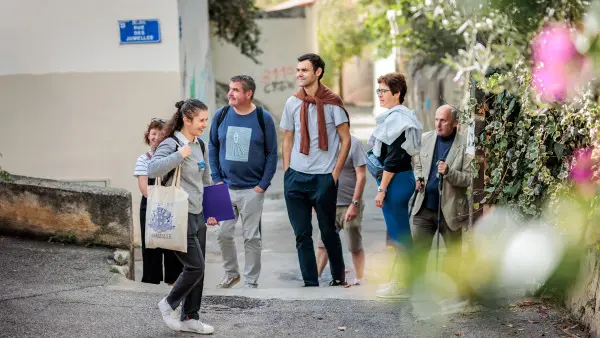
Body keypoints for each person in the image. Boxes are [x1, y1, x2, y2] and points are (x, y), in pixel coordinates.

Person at [280, 53, 351, 287]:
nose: (299, 74)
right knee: (302, 233)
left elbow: (345, 139)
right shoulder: (292, 102)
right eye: (298, 70)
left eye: (304, 70)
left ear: (318, 72)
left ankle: (339, 276)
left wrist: (335, 174)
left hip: (324, 177)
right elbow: (288, 138)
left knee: (328, 231)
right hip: (296, 178)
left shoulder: (333, 102)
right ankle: (310, 281)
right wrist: (288, 171)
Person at [148, 99, 218, 334]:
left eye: (206, 120)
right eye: (201, 120)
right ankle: (168, 304)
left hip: (198, 214)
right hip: (179, 214)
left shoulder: (201, 145)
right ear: (186, 120)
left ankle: (190, 317)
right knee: (195, 267)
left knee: (201, 267)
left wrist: (214, 211)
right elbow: (153, 169)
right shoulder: (171, 143)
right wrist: (179, 155)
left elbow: (205, 179)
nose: (204, 125)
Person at [209, 75, 278, 289]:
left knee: (251, 238)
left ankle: (250, 281)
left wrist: (262, 185)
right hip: (224, 188)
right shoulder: (221, 115)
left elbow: (272, 153)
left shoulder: (262, 117)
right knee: (222, 234)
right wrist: (217, 179)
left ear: (249, 94)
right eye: (230, 89)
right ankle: (231, 273)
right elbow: (212, 147)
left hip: (252, 190)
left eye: (236, 90)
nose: (230, 93)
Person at [368, 73, 422, 298]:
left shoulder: (399, 120)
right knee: (399, 235)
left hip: (396, 181)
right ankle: (404, 282)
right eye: (378, 91)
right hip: (399, 179)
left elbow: (394, 158)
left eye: (383, 91)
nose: (379, 95)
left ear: (397, 93)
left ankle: (404, 284)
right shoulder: (398, 117)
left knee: (399, 236)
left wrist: (382, 189)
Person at [411, 104, 472, 303]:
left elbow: (470, 179)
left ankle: (451, 294)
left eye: (443, 120)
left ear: (455, 123)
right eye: (436, 119)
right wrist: (418, 177)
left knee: (453, 256)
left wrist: (449, 173)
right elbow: (417, 164)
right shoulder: (425, 139)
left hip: (451, 210)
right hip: (424, 207)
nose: (438, 124)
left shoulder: (465, 146)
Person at [133, 118, 183, 285]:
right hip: (150, 204)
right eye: (152, 133)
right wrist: (162, 198)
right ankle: (151, 280)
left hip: (171, 204)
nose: (155, 137)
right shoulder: (143, 159)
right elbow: (144, 188)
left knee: (171, 242)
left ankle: (173, 281)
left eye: (160, 133)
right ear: (148, 136)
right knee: (151, 244)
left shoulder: (172, 157)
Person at [316, 136, 367, 285]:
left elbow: (361, 176)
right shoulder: (323, 142)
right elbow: (318, 173)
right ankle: (314, 279)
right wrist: (317, 200)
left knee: (354, 245)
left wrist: (355, 203)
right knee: (322, 244)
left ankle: (359, 279)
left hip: (349, 205)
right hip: (328, 205)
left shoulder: (355, 144)